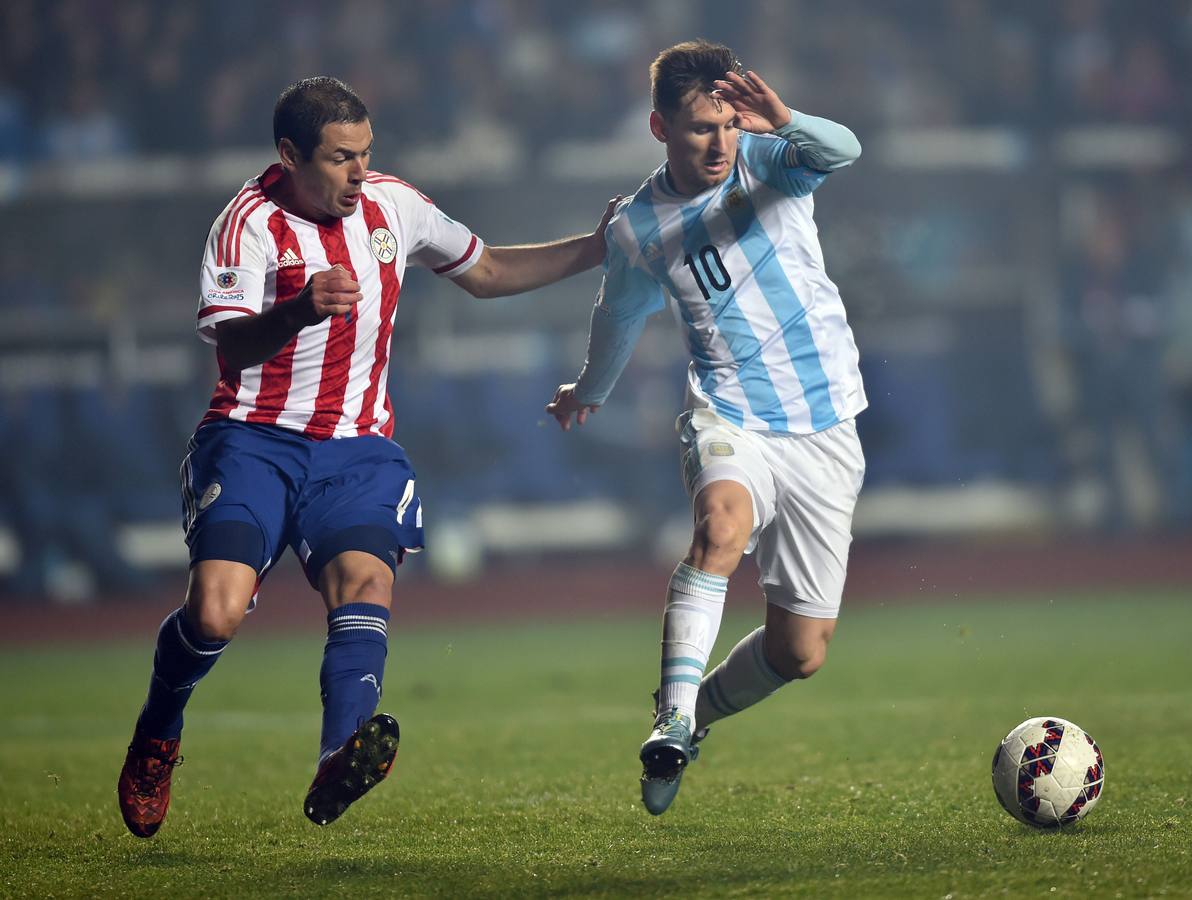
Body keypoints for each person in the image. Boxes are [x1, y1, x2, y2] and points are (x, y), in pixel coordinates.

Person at [117, 76, 617, 837]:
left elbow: (483, 272)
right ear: (289, 154)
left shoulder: (393, 206)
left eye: (365, 153)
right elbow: (231, 346)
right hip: (252, 439)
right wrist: (296, 306)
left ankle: (338, 755)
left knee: (364, 582)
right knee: (215, 615)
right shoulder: (247, 224)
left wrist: (591, 250)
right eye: (340, 158)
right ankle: (158, 731)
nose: (358, 172)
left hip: (357, 448)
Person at [546, 41, 866, 815]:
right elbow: (617, 318)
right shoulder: (634, 228)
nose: (718, 142)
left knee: (800, 652)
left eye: (726, 124)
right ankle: (673, 712)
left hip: (825, 422)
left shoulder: (769, 159)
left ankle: (694, 723)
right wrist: (588, 390)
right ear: (659, 128)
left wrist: (782, 119)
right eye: (699, 128)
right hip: (731, 411)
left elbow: (845, 149)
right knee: (719, 530)